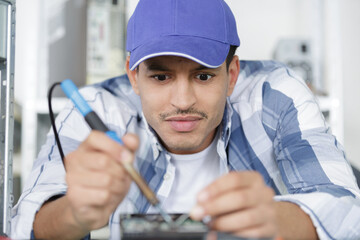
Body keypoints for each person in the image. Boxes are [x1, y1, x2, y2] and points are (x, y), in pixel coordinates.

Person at [12, 0, 360, 239]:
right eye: (161, 77)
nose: (182, 101)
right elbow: (22, 223)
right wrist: (74, 212)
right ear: (133, 76)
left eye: (203, 76)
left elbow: (348, 209)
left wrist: (275, 219)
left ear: (232, 73)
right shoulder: (96, 110)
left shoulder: (275, 95)